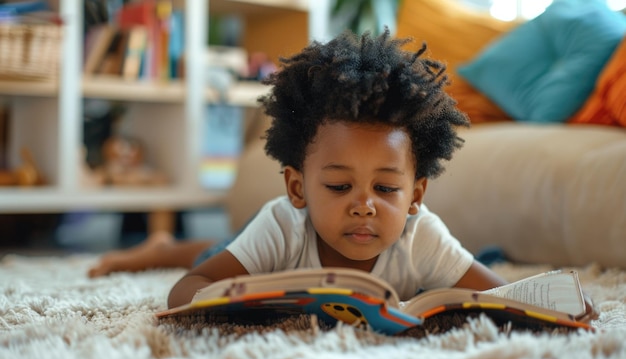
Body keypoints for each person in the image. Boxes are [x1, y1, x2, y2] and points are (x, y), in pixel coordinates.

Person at [89, 30, 594, 318]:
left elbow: (501, 295)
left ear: (416, 195)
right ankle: (157, 248)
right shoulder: (283, 223)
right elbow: (188, 290)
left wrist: (560, 309)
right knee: (211, 250)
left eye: (387, 188)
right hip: (259, 250)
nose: (364, 204)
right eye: (337, 186)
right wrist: (229, 301)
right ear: (297, 187)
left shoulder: (422, 238)